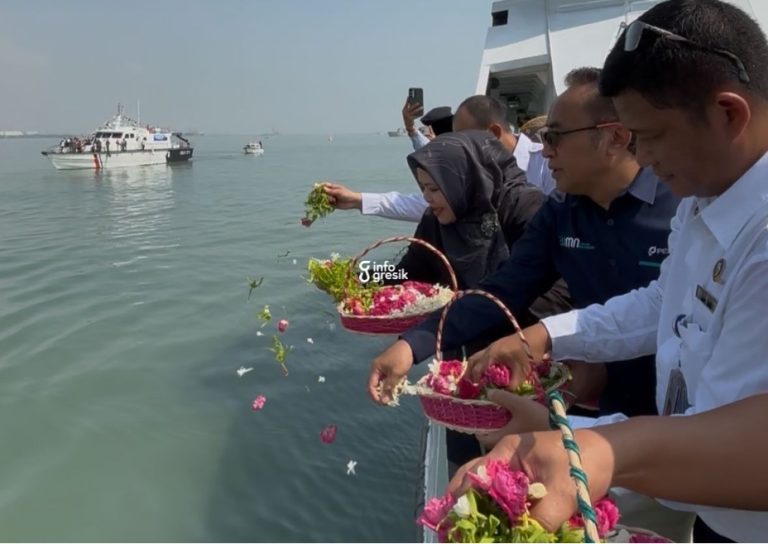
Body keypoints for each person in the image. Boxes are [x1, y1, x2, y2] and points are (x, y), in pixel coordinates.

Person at [450, 1, 768, 541]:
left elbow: (749, 442)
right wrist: (546, 335)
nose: (639, 155)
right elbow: (660, 303)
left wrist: (585, 442)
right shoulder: (705, 200)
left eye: (650, 136)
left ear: (728, 114)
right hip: (708, 504)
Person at [324, 96, 553, 220]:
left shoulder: (547, 166)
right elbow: (427, 203)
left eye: (465, 138)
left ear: (492, 134)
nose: (459, 146)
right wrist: (357, 200)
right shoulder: (471, 167)